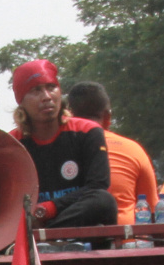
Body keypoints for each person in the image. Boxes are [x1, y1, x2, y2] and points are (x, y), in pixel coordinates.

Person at [8, 60, 117, 231]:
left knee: (104, 200)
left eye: (51, 87)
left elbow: (97, 186)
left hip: (73, 218)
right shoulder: (12, 144)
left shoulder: (88, 132)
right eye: (36, 90)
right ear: (21, 102)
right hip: (31, 222)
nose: (46, 97)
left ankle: (49, 238)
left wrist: (49, 209)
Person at [64, 83, 158, 225]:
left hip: (71, 241)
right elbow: (152, 210)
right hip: (129, 241)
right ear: (107, 117)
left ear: (67, 116)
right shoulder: (134, 150)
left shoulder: (58, 150)